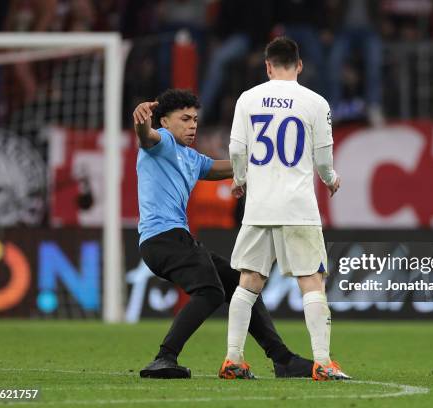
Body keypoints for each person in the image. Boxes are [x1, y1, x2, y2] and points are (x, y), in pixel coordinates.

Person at [133, 88, 312, 379]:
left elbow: (221, 168)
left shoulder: (190, 158)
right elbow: (145, 136)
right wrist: (141, 120)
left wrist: (264, 162)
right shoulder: (161, 141)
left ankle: (283, 360)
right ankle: (164, 357)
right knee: (210, 291)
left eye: (195, 119)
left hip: (176, 239)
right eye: (185, 119)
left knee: (238, 284)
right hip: (162, 238)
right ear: (164, 122)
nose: (192, 125)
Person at [220, 37, 350, 381]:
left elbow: (236, 148)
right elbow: (323, 158)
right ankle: (322, 362)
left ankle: (233, 359)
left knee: (248, 282)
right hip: (297, 207)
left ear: (267, 66)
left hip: (259, 206)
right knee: (312, 281)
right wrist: (331, 179)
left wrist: (239, 178)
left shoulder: (247, 99)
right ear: (300, 64)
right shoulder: (315, 102)